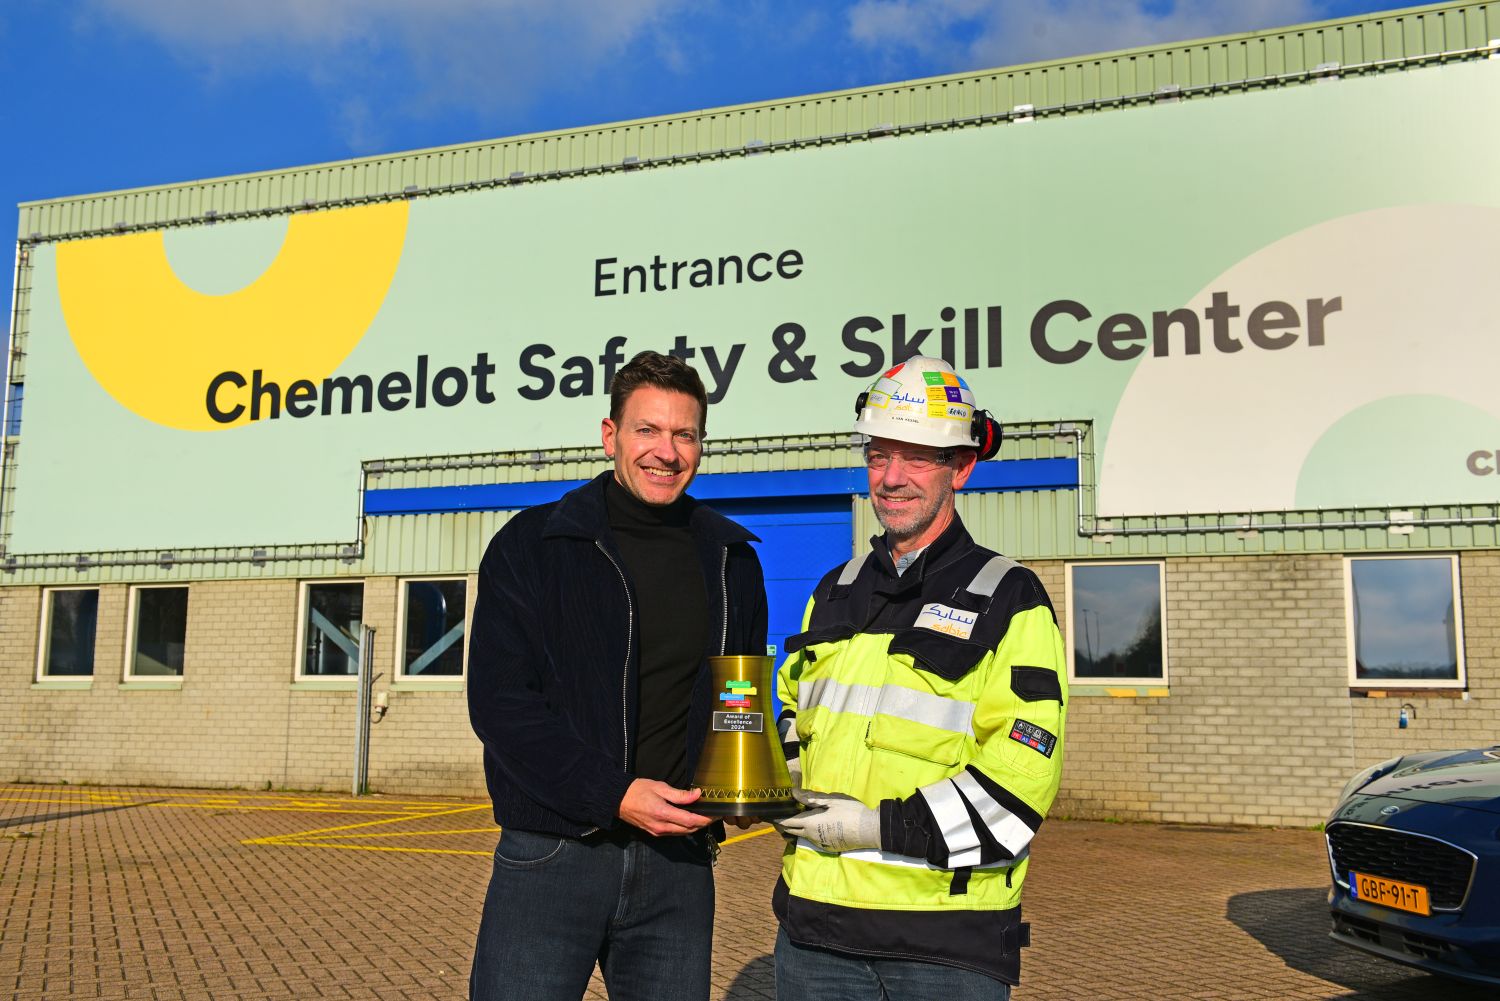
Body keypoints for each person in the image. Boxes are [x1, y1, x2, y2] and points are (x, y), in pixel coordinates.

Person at [466, 350, 767, 1001]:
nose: (667, 450)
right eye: (647, 430)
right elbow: (500, 705)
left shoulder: (731, 558)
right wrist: (613, 792)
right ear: (611, 435)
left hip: (678, 865)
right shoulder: (534, 545)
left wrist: (737, 782)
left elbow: (737, 691)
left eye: (684, 433)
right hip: (555, 851)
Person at [771, 355, 1068, 1000]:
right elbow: (794, 722)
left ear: (960, 468)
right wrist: (770, 785)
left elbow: (1020, 787)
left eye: (917, 457)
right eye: (880, 455)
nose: (892, 478)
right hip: (813, 940)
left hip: (944, 954)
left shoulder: (1010, 599)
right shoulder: (834, 591)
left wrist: (873, 828)